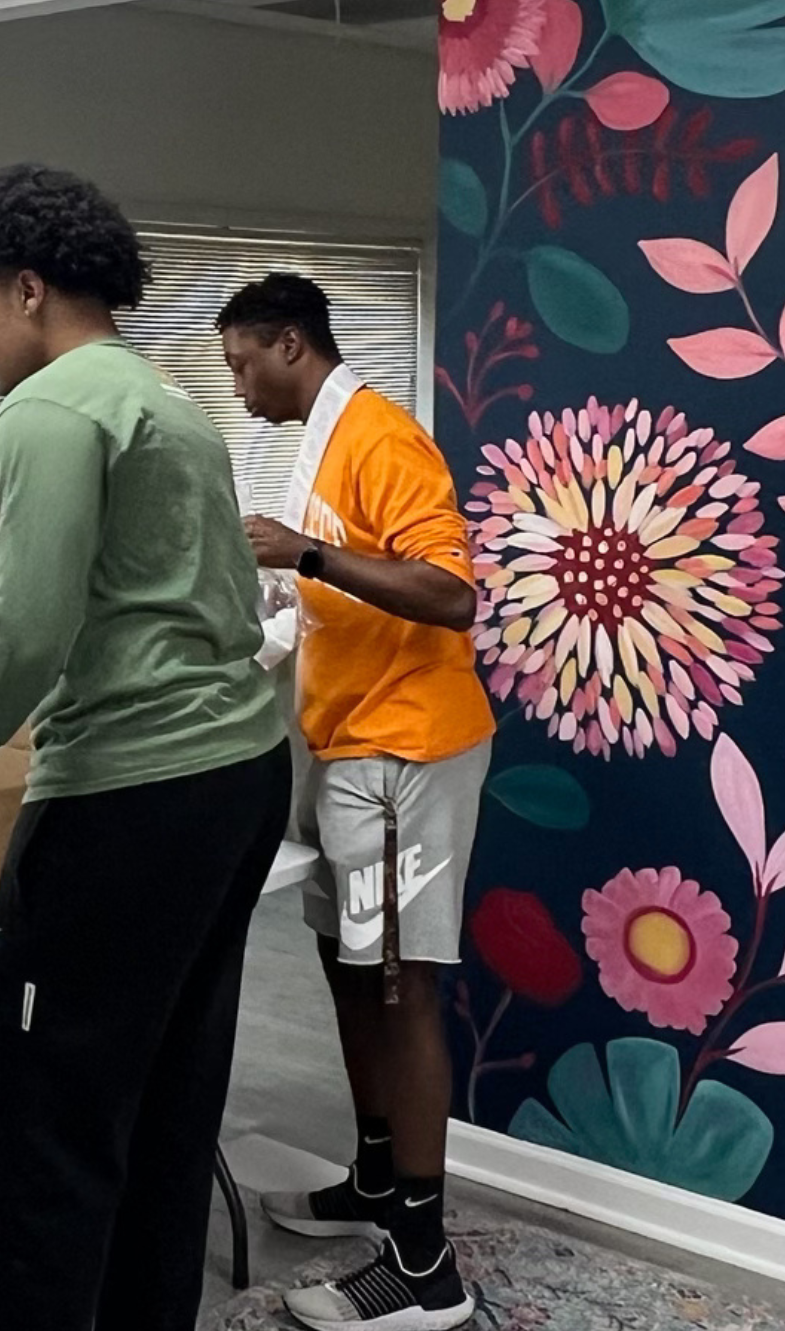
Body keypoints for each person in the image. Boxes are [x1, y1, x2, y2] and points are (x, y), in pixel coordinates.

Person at [0, 164, 291, 1330]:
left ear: (28, 289)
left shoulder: (45, 409)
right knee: (166, 1099)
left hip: (126, 798)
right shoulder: (166, 401)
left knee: (47, 1121)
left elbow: (24, 634)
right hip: (236, 777)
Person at [221, 273, 492, 1331]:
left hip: (403, 749)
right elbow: (318, 605)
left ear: (290, 342)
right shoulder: (318, 445)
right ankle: (376, 1179)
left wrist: (306, 552)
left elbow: (451, 593)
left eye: (243, 361)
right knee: (346, 965)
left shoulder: (378, 436)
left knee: (396, 989)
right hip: (346, 743)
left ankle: (424, 1266)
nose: (236, 384)